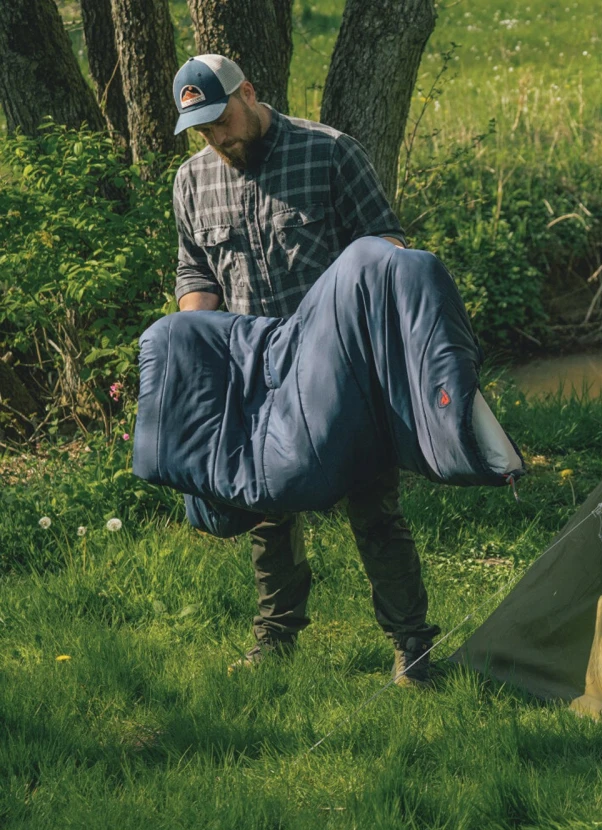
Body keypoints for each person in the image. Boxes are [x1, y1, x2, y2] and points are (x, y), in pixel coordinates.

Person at [170, 54, 438, 686]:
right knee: (267, 513)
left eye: (222, 120)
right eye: (202, 129)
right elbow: (195, 271)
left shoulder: (329, 152)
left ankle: (412, 647)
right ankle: (275, 640)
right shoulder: (191, 179)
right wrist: (198, 341)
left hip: (343, 369)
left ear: (249, 93)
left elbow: (387, 247)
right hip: (255, 374)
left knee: (373, 510)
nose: (217, 138)